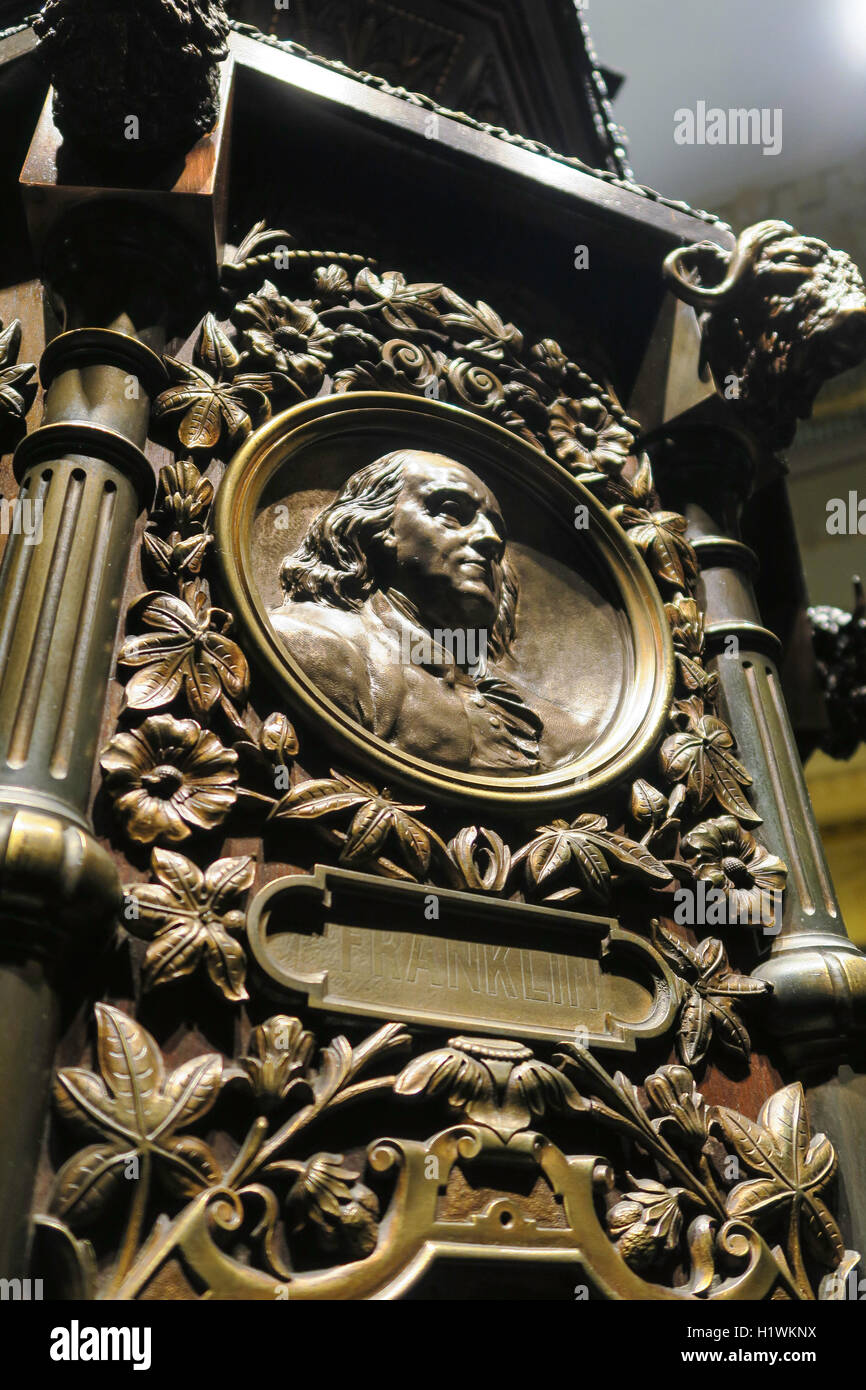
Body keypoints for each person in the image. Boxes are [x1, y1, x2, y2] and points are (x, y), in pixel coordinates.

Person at [268, 449, 597, 772]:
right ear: (375, 525)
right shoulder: (315, 646)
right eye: (452, 511)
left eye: (496, 528)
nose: (491, 539)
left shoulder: (549, 722)